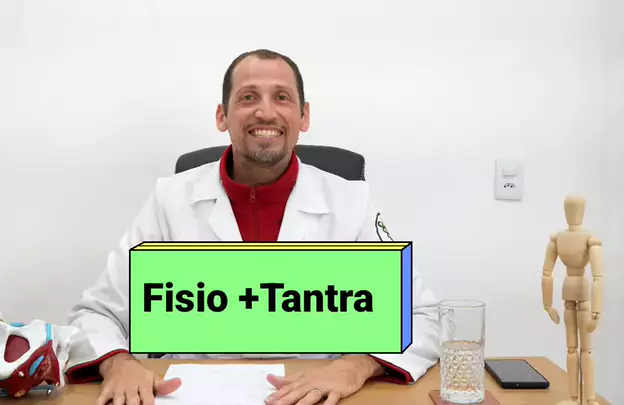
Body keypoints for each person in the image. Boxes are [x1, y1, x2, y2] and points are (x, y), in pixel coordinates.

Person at [64, 49, 440, 405]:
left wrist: (356, 365)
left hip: (315, 394)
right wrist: (118, 363)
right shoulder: (171, 199)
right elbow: (97, 312)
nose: (265, 112)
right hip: (193, 392)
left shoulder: (349, 200)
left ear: (304, 116)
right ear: (222, 117)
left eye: (281, 97)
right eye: (248, 97)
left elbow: (421, 316)